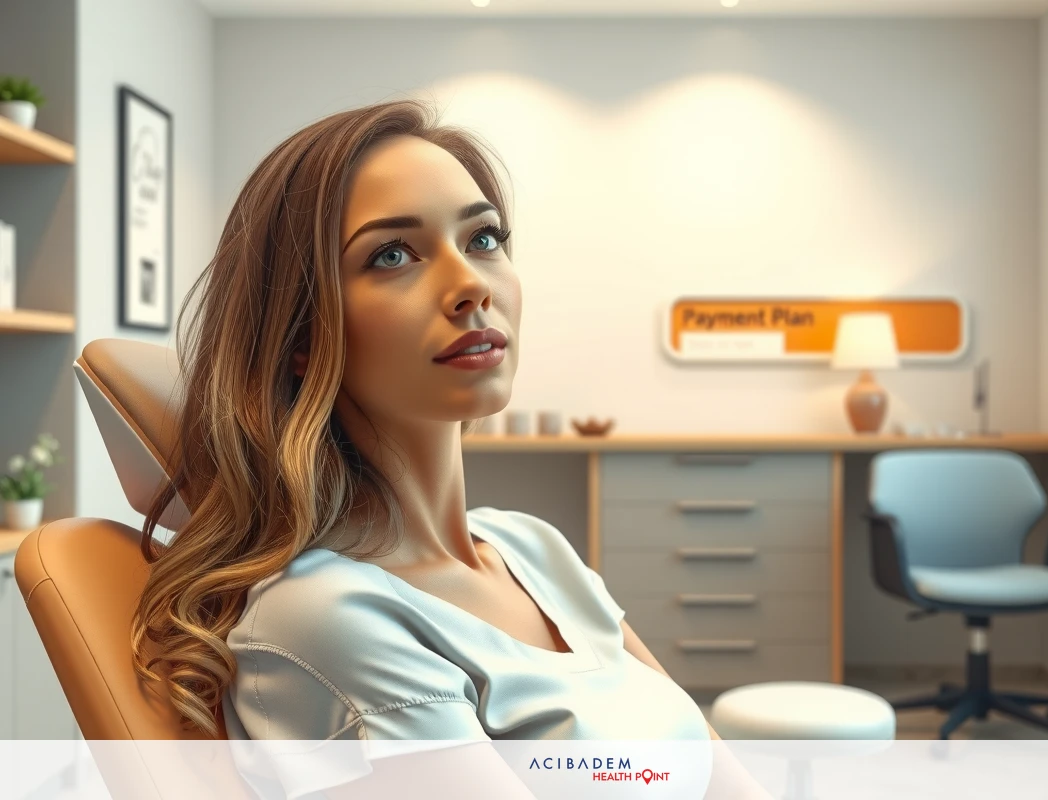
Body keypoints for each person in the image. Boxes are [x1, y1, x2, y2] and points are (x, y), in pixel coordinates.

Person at [129, 99, 772, 797]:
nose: (470, 286)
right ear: (301, 336)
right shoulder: (328, 617)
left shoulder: (534, 551)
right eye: (393, 255)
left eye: (483, 239)